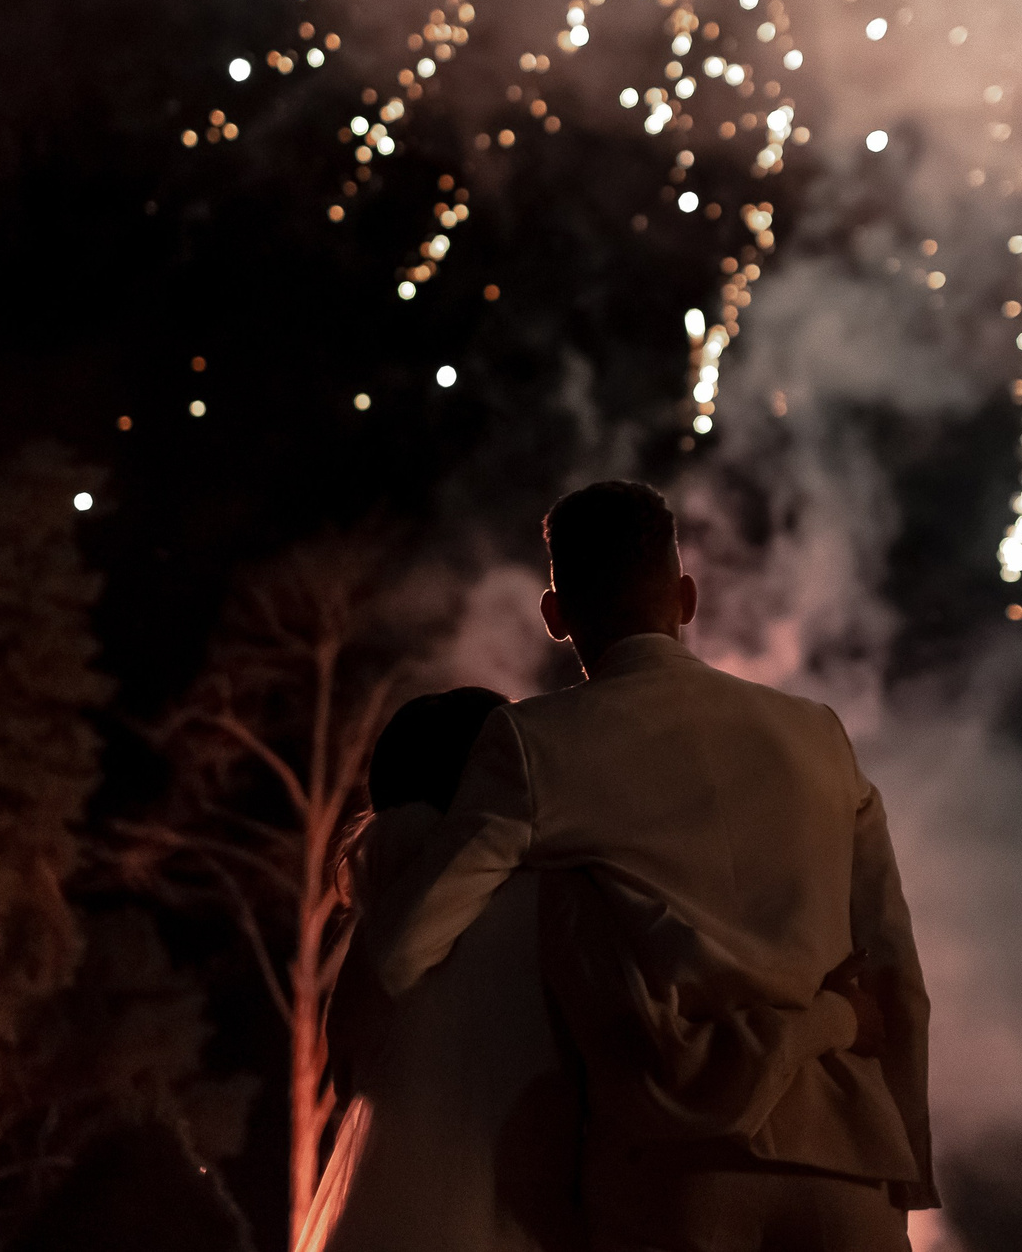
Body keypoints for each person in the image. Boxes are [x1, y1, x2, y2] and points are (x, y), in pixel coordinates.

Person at [375, 481, 937, 1252]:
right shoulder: (817, 736)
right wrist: (905, 1168)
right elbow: (896, 972)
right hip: (849, 1166)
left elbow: (401, 950)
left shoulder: (536, 745)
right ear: (686, 596)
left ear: (556, 614)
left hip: (672, 1174)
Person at [302, 687, 583, 1252]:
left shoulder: (379, 927)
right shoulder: (548, 904)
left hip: (389, 1215)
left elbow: (348, 1073)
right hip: (532, 1210)